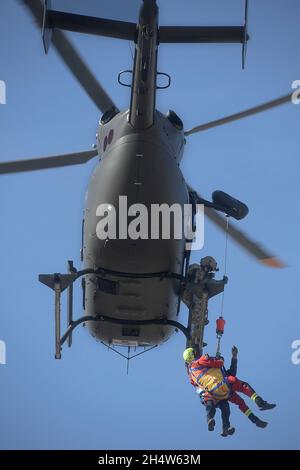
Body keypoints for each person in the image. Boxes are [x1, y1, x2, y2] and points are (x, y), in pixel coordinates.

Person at [183, 346, 276, 435]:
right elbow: (219, 363)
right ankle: (259, 402)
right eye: (196, 352)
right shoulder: (201, 360)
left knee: (238, 403)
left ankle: (253, 421)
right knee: (243, 386)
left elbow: (230, 372)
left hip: (217, 394)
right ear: (193, 354)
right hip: (222, 385)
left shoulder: (192, 375)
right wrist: (219, 359)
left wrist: (234, 357)